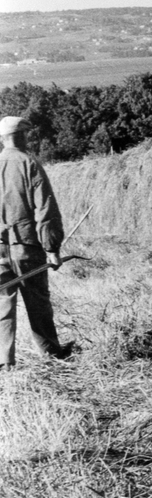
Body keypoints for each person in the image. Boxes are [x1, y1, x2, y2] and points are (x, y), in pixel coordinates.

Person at [0, 116, 71, 369]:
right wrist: (52, 248)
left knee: (2, 304)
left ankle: (4, 363)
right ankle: (51, 356)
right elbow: (45, 210)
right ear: (21, 136)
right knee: (38, 302)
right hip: (26, 247)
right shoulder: (28, 163)